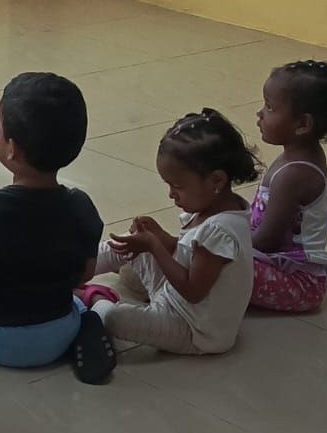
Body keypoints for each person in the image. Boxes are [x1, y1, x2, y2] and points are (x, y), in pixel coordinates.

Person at [0, 72, 114, 382]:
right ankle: (89, 328)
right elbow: (85, 273)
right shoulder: (81, 205)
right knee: (81, 303)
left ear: (12, 149)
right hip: (60, 333)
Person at [94, 110, 259, 355]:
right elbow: (188, 254)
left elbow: (193, 292)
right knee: (130, 243)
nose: (171, 194)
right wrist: (161, 238)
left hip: (195, 330)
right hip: (173, 297)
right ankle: (71, 267)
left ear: (216, 180)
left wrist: (155, 246)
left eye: (178, 186)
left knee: (115, 319)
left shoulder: (220, 231)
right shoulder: (214, 208)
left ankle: (93, 300)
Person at [249, 60, 327, 312]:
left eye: (269, 107)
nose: (260, 113)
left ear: (302, 125)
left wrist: (225, 242)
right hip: (277, 265)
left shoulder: (294, 174)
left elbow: (265, 240)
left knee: (218, 263)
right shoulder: (298, 154)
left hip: (298, 283)